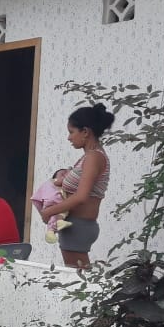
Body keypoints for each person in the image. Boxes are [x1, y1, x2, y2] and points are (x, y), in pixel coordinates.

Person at [40, 103, 114, 268]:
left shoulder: (94, 157)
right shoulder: (88, 157)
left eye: (71, 132)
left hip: (79, 225)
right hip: (76, 225)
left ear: (85, 132)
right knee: (77, 275)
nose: (69, 138)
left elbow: (81, 197)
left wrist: (49, 211)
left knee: (78, 277)